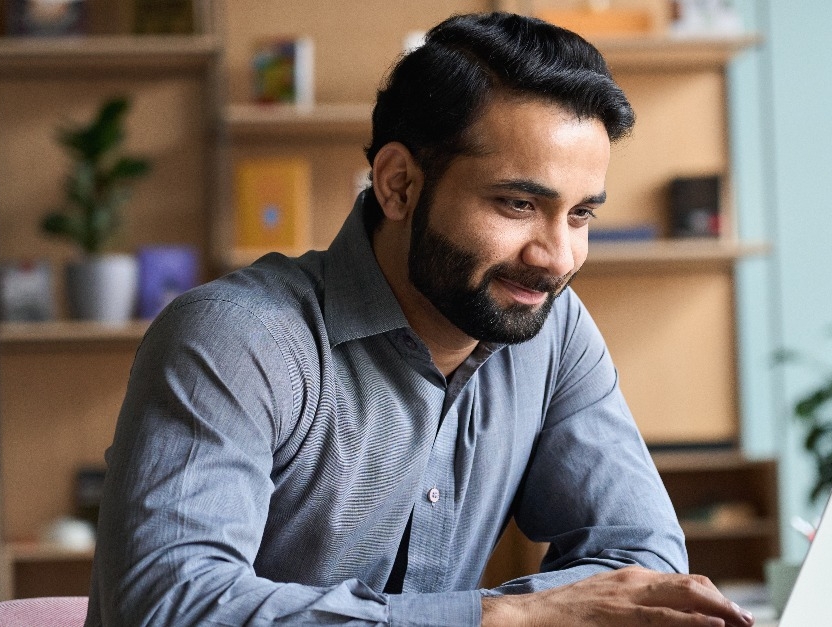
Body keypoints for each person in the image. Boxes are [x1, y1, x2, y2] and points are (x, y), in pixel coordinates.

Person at [86, 12, 754, 627]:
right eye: (519, 204)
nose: (558, 257)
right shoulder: (236, 337)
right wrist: (505, 618)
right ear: (398, 183)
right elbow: (170, 605)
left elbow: (645, 564)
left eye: (581, 214)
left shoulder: (552, 329)